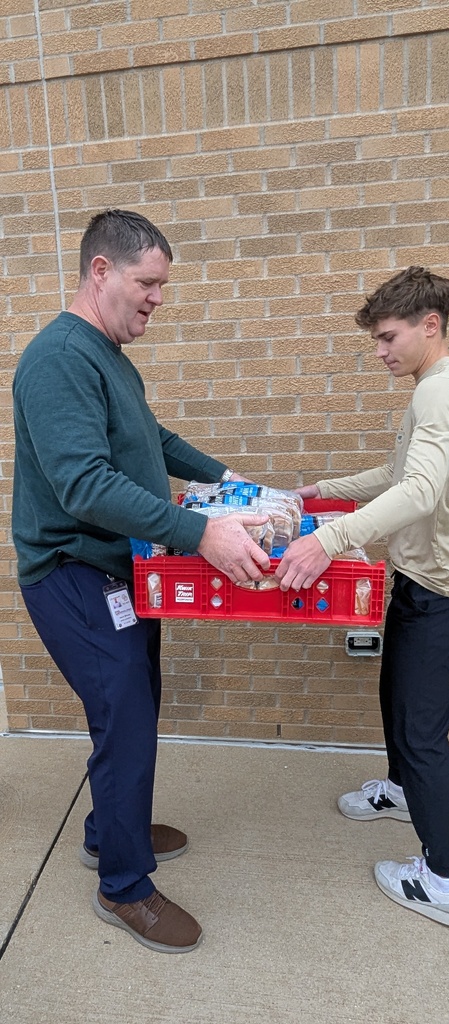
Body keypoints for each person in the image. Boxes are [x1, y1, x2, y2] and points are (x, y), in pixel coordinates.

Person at [12, 209, 270, 954]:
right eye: (148, 282)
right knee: (123, 720)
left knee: (134, 709)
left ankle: (109, 828)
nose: (158, 297)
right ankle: (123, 886)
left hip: (121, 571)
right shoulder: (59, 358)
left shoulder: (110, 357)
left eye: (162, 285)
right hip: (73, 573)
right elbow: (85, 485)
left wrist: (228, 480)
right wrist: (201, 532)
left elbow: (149, 439)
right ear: (101, 271)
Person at [276, 266, 449, 929]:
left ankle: (446, 882)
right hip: (419, 582)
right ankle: (400, 791)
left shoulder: (441, 391)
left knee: (422, 734)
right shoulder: (436, 387)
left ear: (431, 325)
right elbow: (398, 475)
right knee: (395, 702)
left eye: (388, 337)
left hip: (444, 590)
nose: (380, 351)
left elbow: (419, 493)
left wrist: (329, 539)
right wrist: (322, 492)